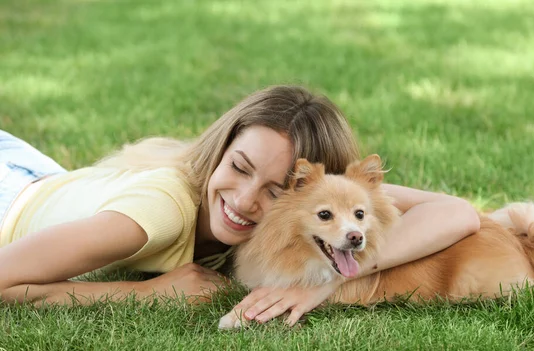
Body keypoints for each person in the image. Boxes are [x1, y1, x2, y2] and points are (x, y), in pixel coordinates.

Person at [0, 85, 480, 326]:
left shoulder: (316, 204)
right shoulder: (156, 215)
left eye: (275, 190)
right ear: (222, 147)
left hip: (41, 173)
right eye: (240, 166)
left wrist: (330, 282)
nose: (246, 200)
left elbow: (458, 213)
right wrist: (148, 293)